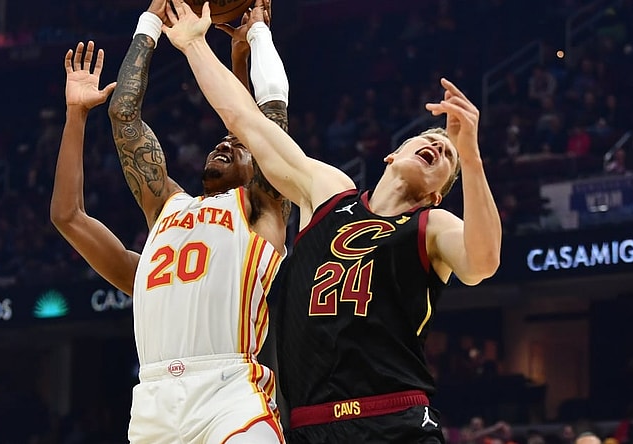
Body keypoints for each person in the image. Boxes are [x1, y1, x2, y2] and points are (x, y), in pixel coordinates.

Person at [163, 1, 502, 442]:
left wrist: (471, 158)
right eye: (428, 140)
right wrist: (194, 45)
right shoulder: (327, 193)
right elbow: (246, 121)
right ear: (392, 155)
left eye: (447, 156)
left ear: (437, 193)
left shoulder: (432, 225)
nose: (439, 147)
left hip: (395, 420)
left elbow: (482, 263)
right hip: (311, 425)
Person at [50, 0, 291, 441]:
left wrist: (259, 36)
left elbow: (267, 118)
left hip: (230, 391)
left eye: (238, 147)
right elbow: (123, 116)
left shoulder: (261, 210)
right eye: (222, 142)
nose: (225, 144)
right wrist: (150, 22)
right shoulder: (167, 207)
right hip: (153, 400)